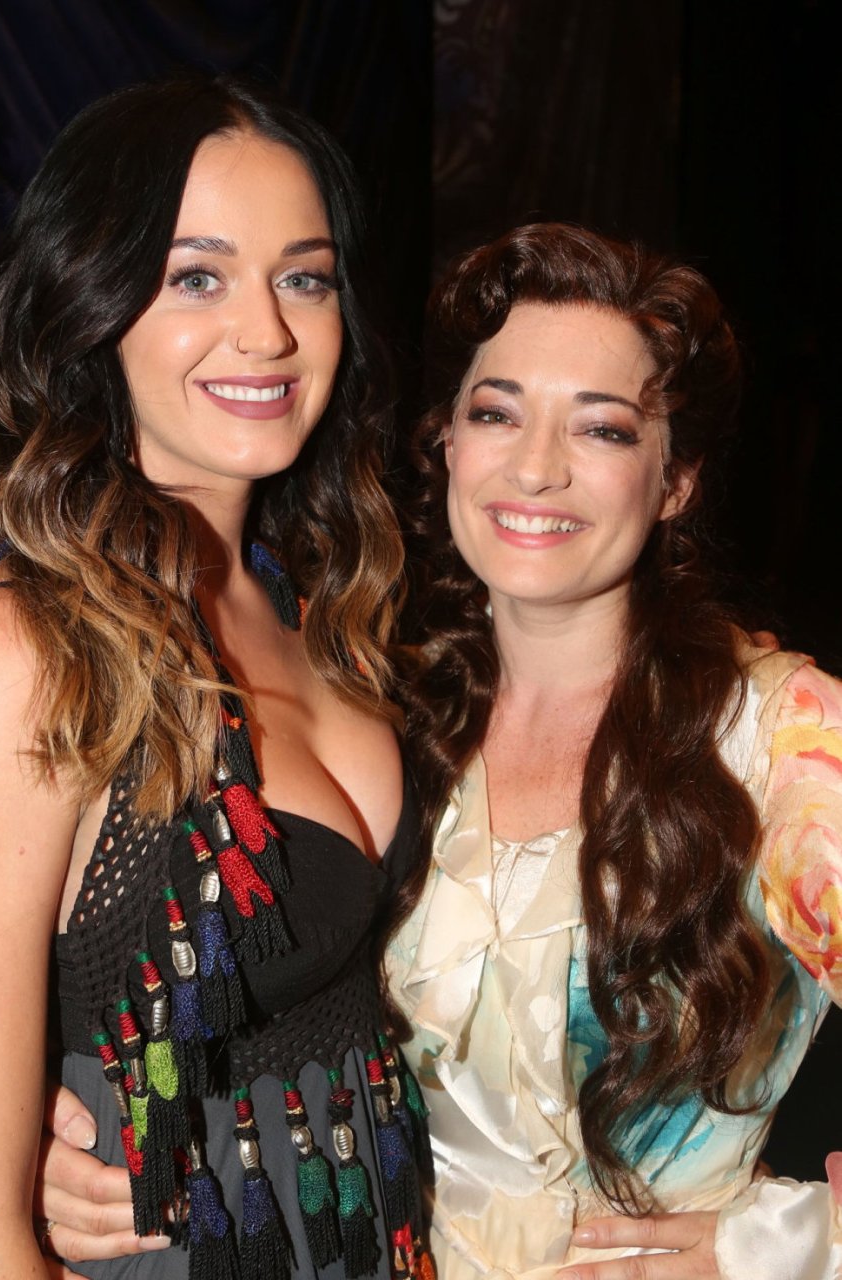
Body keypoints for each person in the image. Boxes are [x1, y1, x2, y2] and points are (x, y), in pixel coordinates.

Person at [0, 74, 432, 1280]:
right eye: (196, 277)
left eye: (304, 278)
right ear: (92, 300)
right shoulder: (21, 652)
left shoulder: (319, 605)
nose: (267, 331)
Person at [387, 223, 842, 1279]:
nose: (533, 468)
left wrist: (790, 1245)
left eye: (600, 428)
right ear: (447, 440)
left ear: (674, 480)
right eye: (495, 412)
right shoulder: (380, 709)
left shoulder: (777, 737)